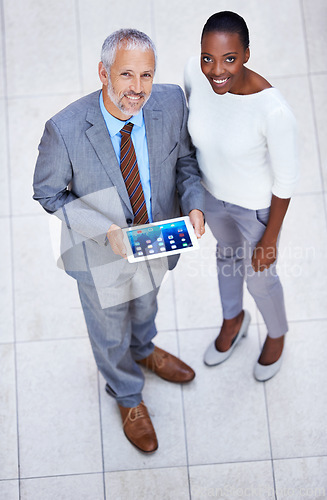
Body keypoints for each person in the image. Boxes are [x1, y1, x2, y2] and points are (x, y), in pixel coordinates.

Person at [33, 29, 205, 453]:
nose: (138, 88)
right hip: (100, 253)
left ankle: (145, 349)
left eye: (146, 75)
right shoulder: (65, 129)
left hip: (159, 239)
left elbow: (185, 161)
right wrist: (104, 231)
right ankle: (127, 393)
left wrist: (195, 204)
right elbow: (48, 193)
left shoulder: (169, 102)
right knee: (110, 332)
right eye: (126, 74)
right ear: (103, 72)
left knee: (147, 303)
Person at [184, 11, 298, 381]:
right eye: (208, 58)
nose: (216, 70)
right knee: (226, 259)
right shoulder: (193, 74)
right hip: (212, 197)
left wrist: (270, 239)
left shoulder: (273, 110)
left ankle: (277, 335)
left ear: (246, 54)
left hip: (256, 209)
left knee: (260, 277)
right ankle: (233, 319)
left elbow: (286, 181)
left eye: (229, 58)